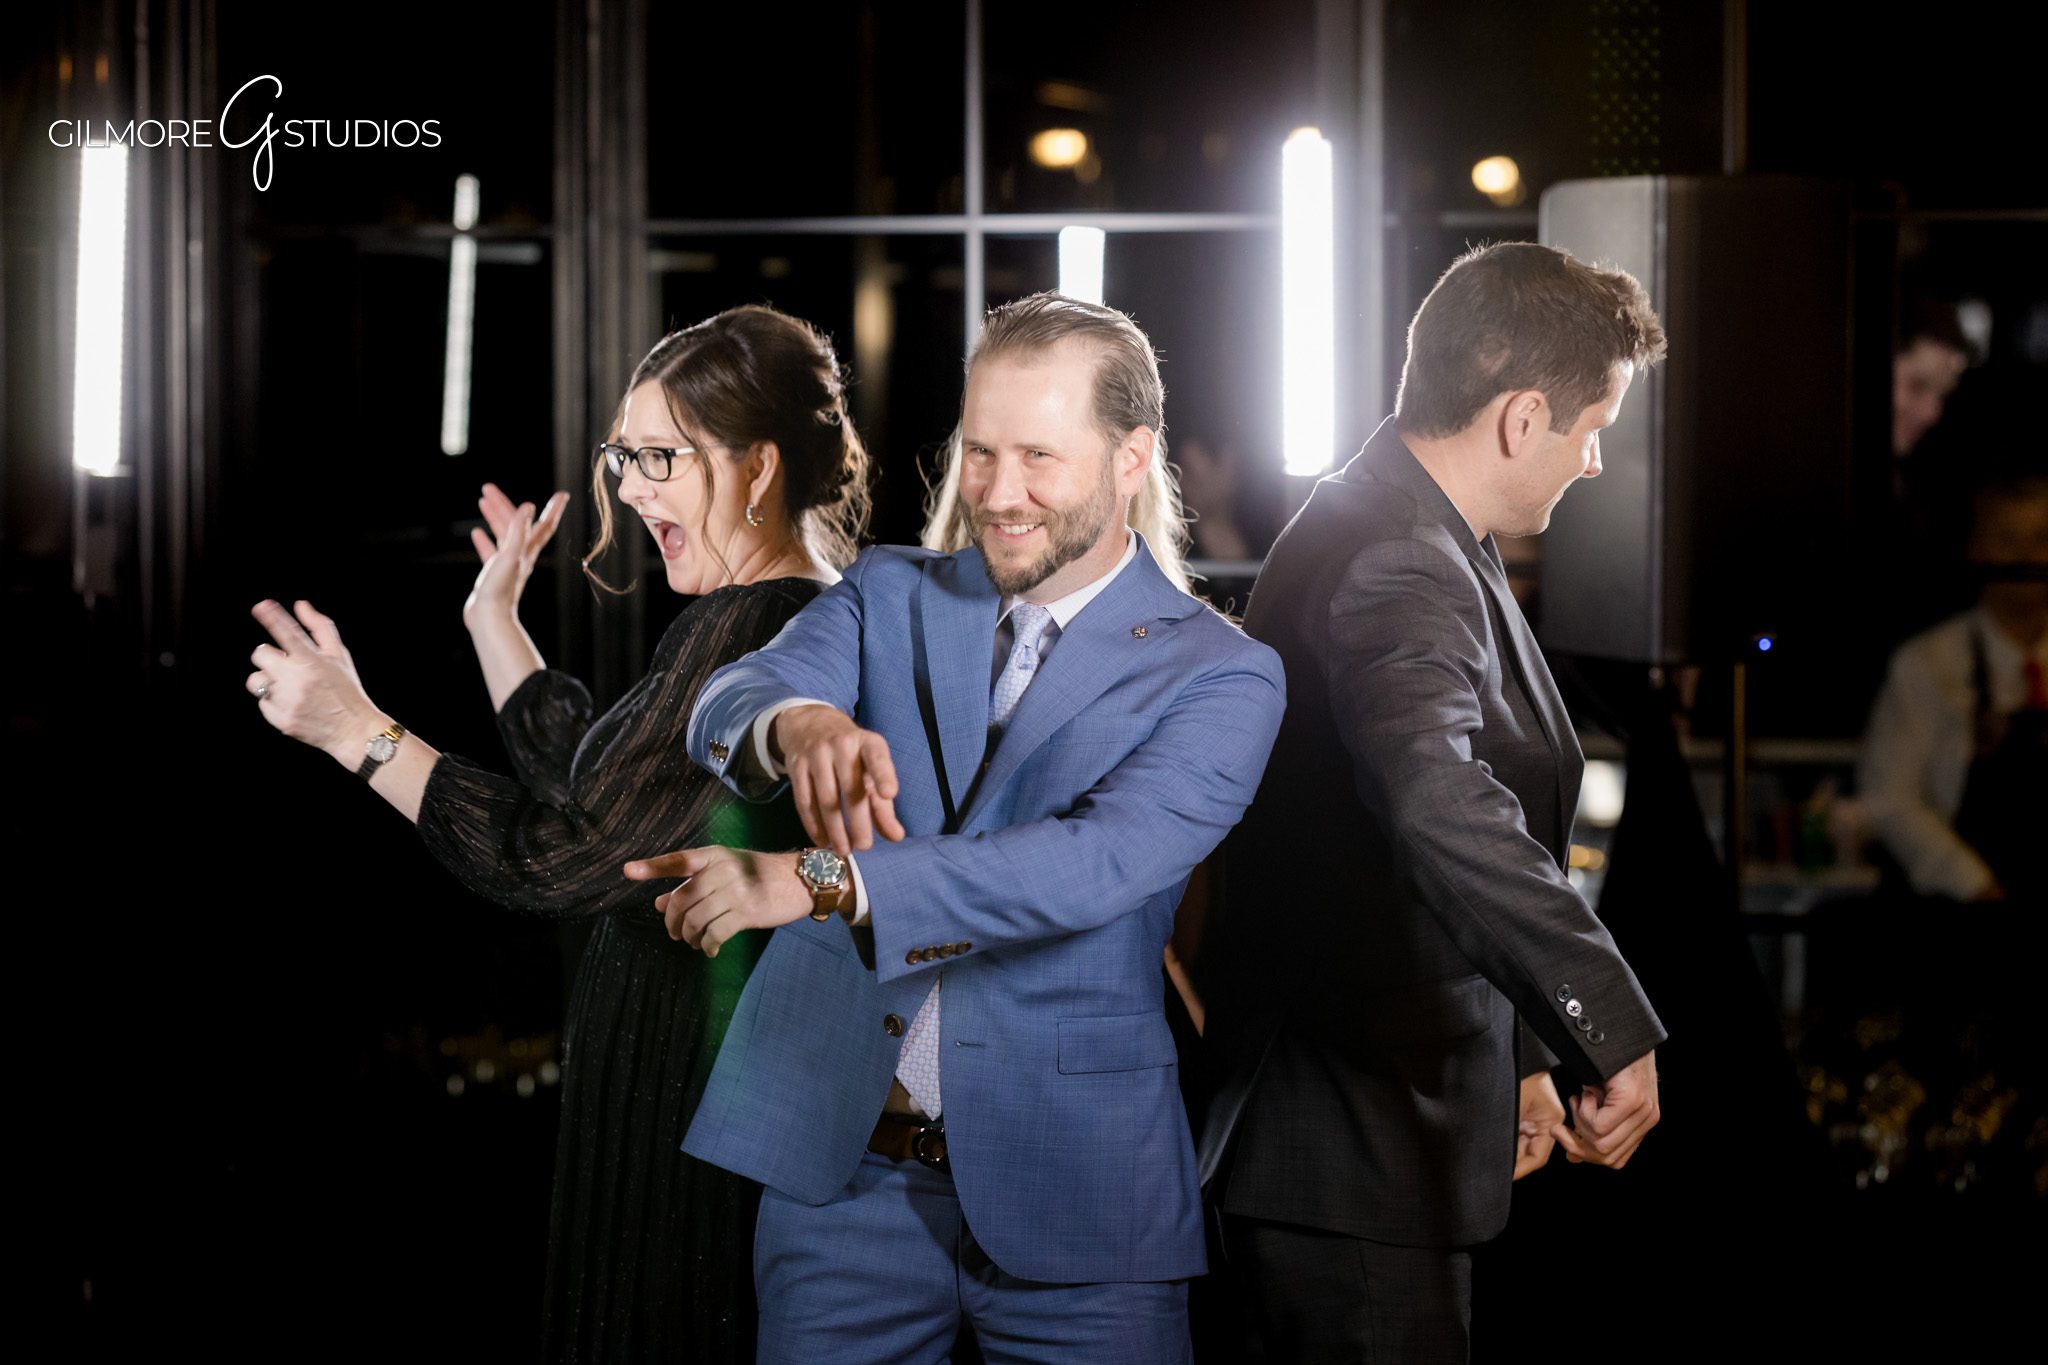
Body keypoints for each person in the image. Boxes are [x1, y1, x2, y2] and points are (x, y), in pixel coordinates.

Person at [621, 292, 1286, 1364]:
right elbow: (730, 697)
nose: (998, 492)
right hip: (841, 1179)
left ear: (1130, 458)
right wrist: (803, 724)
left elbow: (1087, 868)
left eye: (1037, 456)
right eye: (979, 453)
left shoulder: (1221, 674)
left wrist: (823, 880)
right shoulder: (884, 589)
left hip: (1082, 1201)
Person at [244, 305, 869, 1363]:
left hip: (697, 1096)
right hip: (701, 1085)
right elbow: (615, 794)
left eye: (658, 457)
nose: (627, 488)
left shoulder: (754, 622)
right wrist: (496, 625)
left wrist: (358, 733)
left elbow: (558, 857)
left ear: (757, 468)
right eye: (622, 456)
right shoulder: (786, 613)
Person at [1198, 242, 1669, 1362]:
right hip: (1346, 1141)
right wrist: (1601, 1022)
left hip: (1381, 1122)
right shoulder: (1399, 558)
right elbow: (1434, 803)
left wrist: (1516, 1054)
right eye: (1590, 427)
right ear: (1518, 419)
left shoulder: (1398, 523)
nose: (1594, 462)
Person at [1859, 471, 2048, 904]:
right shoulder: (1927, 664)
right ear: (1975, 548)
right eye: (2008, 540)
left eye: (2041, 539)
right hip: (1960, 913)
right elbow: (1888, 796)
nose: (2028, 557)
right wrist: (1971, 883)